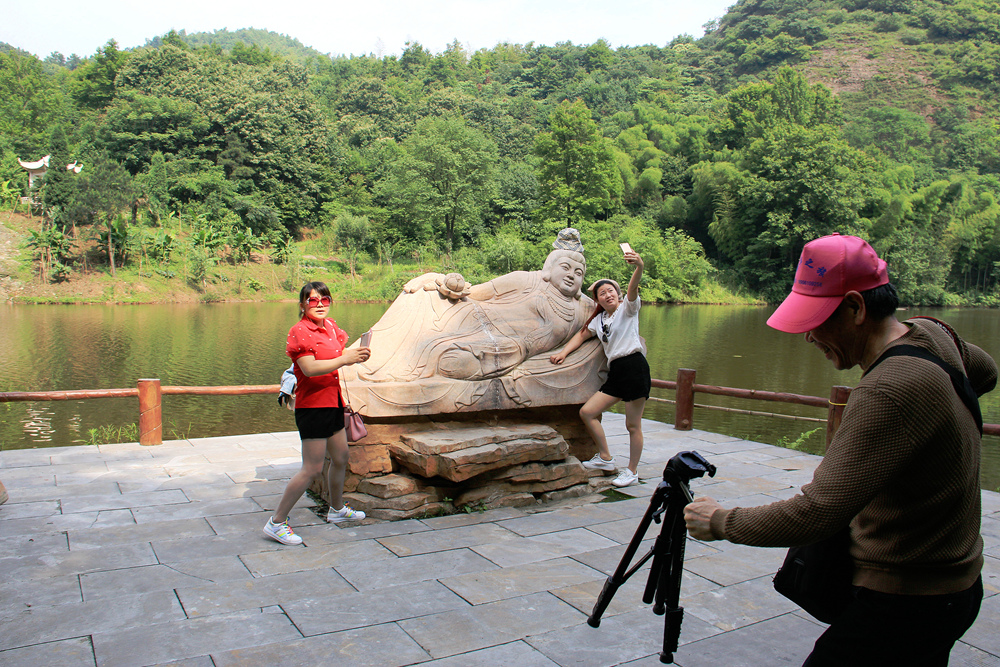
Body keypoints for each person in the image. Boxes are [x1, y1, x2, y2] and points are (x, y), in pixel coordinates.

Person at [683, 234, 997, 666]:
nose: (809, 337)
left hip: (906, 600)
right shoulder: (933, 333)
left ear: (855, 308)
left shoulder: (889, 389)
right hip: (958, 585)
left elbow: (815, 513)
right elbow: (986, 372)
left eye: (816, 319)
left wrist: (720, 521)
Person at [263, 281, 372, 546]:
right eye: (312, 301)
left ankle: (336, 510)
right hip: (312, 407)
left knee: (341, 456)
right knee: (311, 469)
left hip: (333, 401)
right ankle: (276, 522)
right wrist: (345, 360)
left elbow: (337, 353)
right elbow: (309, 368)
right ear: (302, 305)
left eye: (325, 300)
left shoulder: (331, 327)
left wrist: (355, 354)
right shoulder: (299, 331)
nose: (320, 305)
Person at [550, 249, 650, 488]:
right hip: (616, 371)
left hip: (635, 368)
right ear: (597, 300)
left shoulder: (628, 309)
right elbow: (582, 335)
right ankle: (605, 458)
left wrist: (639, 267)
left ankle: (631, 471)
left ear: (619, 294)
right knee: (587, 412)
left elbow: (634, 288)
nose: (607, 295)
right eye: (602, 293)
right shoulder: (599, 319)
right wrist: (563, 353)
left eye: (611, 291)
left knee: (633, 425)